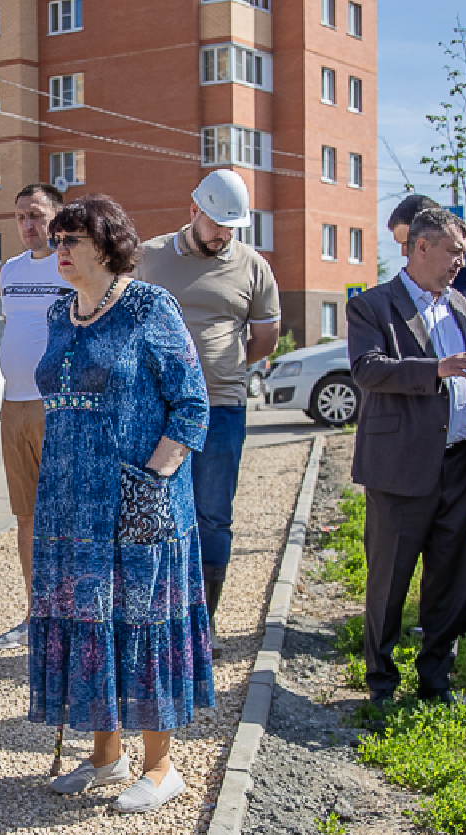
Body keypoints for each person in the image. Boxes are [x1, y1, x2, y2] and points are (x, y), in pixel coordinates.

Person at [30, 194, 213, 813]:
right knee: (90, 623)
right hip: (69, 502)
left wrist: (152, 479)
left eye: (71, 240)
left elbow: (192, 404)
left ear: (108, 246)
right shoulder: (61, 313)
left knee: (141, 622)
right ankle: (106, 756)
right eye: (57, 240)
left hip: (136, 503)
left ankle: (161, 768)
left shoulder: (147, 307)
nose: (59, 250)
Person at [346, 207, 466, 709]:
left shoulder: (461, 304)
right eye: (452, 253)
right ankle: (381, 681)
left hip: (458, 465)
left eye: (463, 255)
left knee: (450, 578)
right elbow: (367, 370)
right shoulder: (373, 306)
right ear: (421, 248)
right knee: (390, 578)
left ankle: (436, 679)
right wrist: (438, 369)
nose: (459, 264)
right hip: (400, 466)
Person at [136, 169, 280, 655]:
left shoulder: (253, 266)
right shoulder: (149, 258)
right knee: (154, 512)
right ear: (193, 210)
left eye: (231, 227)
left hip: (222, 408)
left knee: (213, 515)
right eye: (216, 222)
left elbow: (263, 339)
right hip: (157, 410)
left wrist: (222, 370)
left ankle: (203, 624)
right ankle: (157, 620)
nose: (223, 234)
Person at [387, 194, 466, 637]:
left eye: (408, 244)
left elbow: (453, 346)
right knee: (459, 521)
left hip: (460, 417)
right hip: (456, 415)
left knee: (458, 525)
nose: (405, 256)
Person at [0, 182, 73, 651]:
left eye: (37, 216)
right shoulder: (9, 272)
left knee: (65, 516)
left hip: (59, 407)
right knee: (27, 519)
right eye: (21, 217)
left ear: (58, 216)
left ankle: (72, 616)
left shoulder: (73, 266)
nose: (28, 226)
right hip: (14, 406)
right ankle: (35, 616)